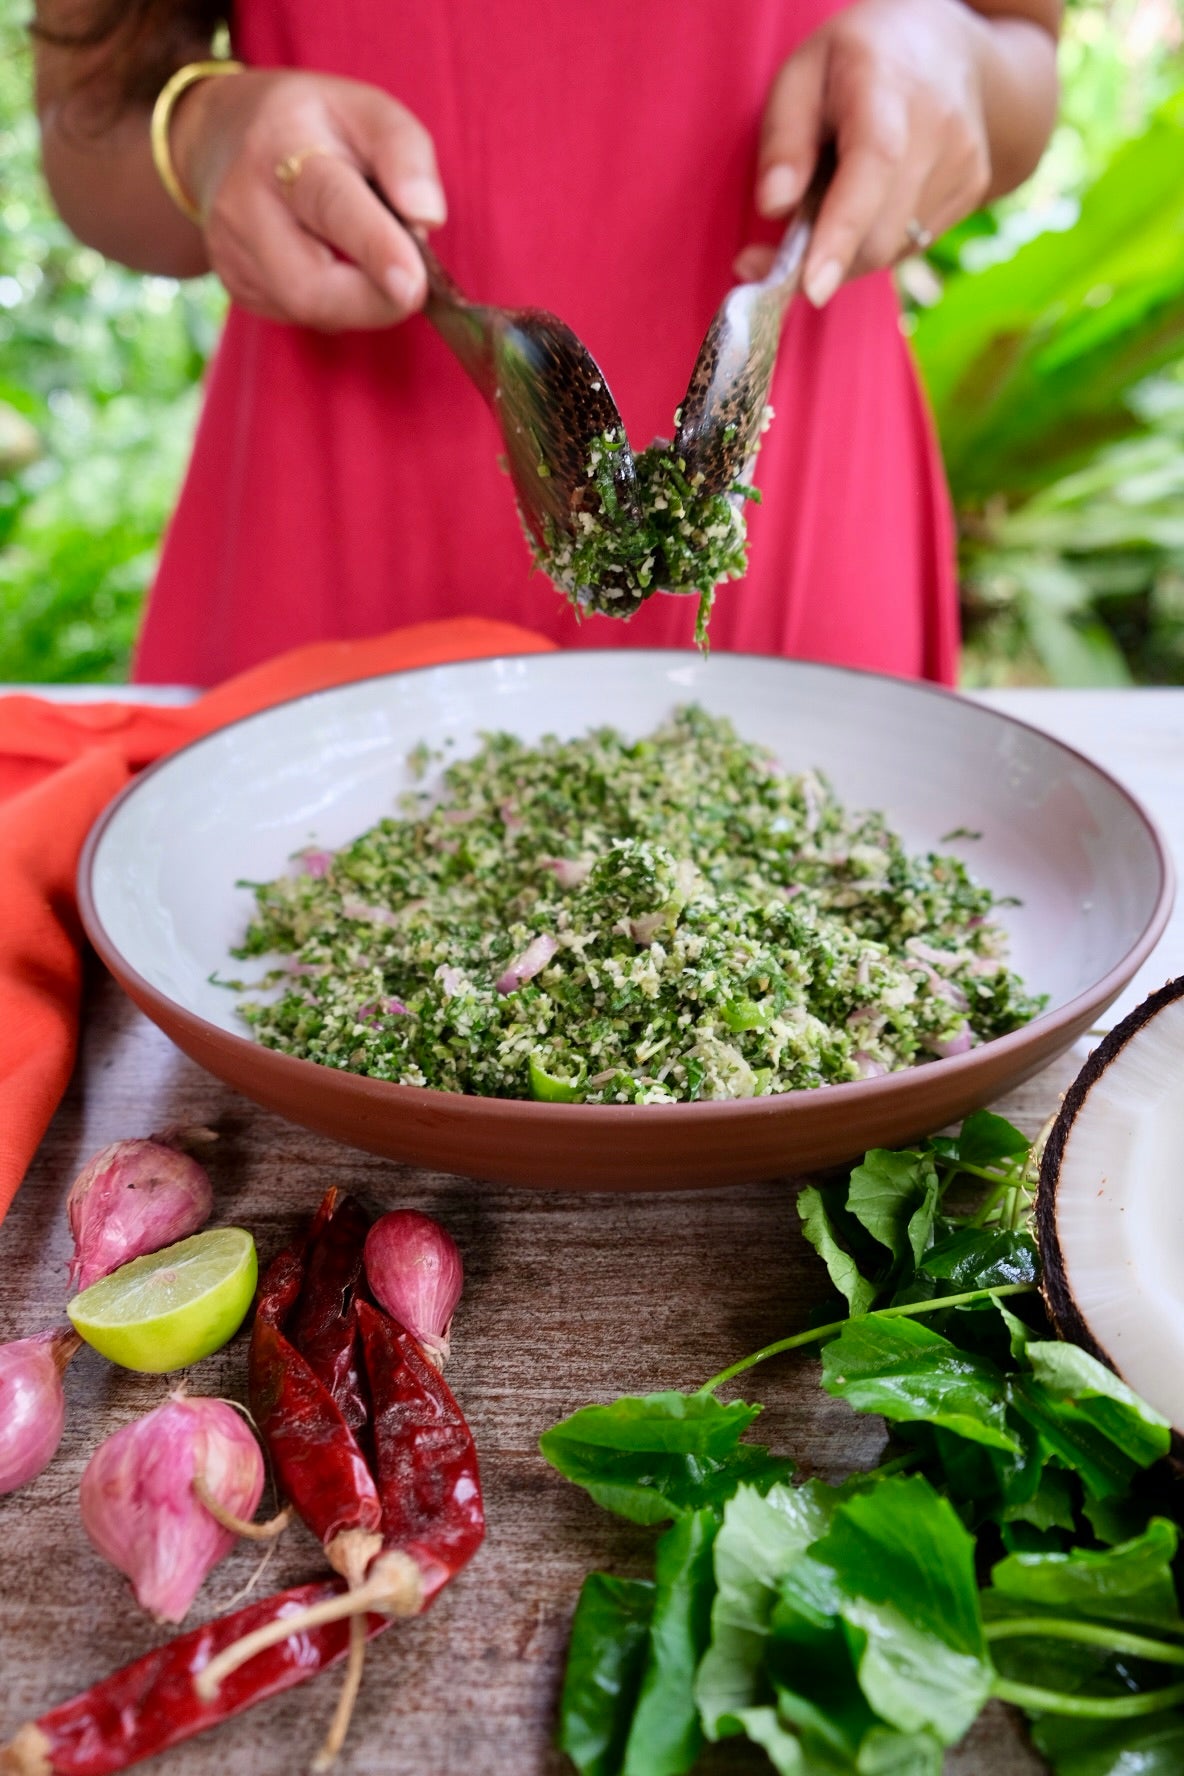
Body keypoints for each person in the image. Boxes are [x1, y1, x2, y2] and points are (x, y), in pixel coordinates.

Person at [32, 0, 1059, 688]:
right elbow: (91, 127)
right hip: (336, 512)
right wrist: (208, 131)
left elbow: (1018, 44)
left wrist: (950, 61)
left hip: (799, 494)